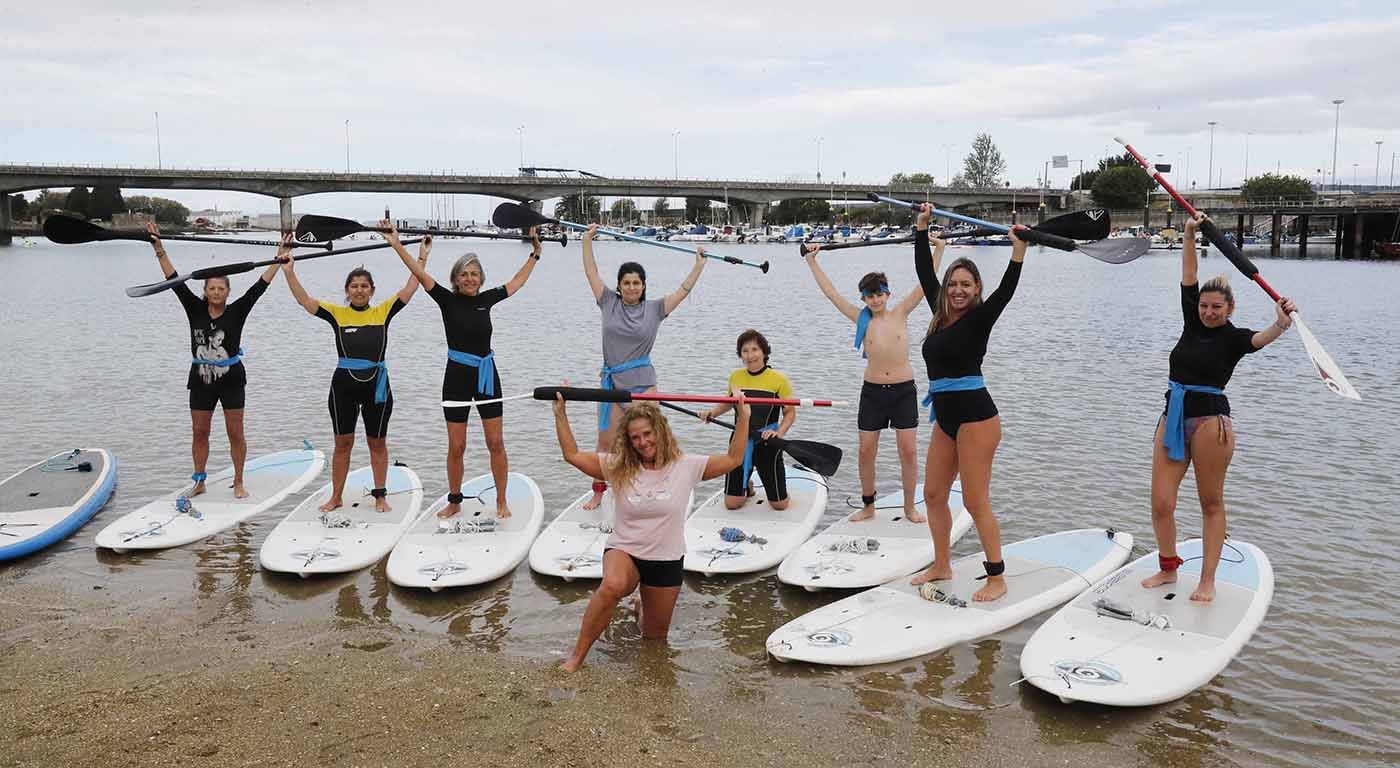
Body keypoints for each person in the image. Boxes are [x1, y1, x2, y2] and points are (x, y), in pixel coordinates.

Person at [1140, 214, 1296, 602]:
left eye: (1215, 307)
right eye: (1204, 306)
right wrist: (1190, 234)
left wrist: (1281, 322)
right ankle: (1167, 568)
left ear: (1229, 308)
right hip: (1172, 417)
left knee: (1210, 503)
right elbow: (1189, 273)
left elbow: (1263, 338)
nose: (1208, 312)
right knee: (1161, 502)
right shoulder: (1190, 322)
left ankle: (1207, 579)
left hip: (1212, 425)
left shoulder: (1233, 339)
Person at [553, 391, 749, 672]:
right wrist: (560, 413)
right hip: (625, 549)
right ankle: (577, 657)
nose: (643, 442)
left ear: (660, 431)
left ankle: (640, 607)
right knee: (612, 586)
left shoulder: (687, 466)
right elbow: (571, 455)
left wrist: (742, 416)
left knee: (654, 638)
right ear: (629, 442)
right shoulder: (618, 465)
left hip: (666, 558)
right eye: (635, 437)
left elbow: (734, 459)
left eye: (647, 434)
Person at [908, 204, 1026, 602]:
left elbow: (1006, 292)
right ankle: (942, 563)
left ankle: (996, 576)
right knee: (934, 494)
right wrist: (921, 228)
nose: (958, 290)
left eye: (967, 286)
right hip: (946, 418)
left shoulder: (979, 319)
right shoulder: (939, 316)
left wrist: (1018, 252)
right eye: (953, 284)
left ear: (977, 291)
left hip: (977, 418)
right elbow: (925, 271)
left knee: (975, 500)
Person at [393, 226, 543, 519]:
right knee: (457, 446)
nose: (470, 278)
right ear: (455, 279)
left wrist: (535, 254)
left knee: (495, 442)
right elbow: (419, 274)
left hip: (487, 376)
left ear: (481, 279)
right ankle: (455, 500)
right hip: (456, 379)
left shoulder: (487, 299)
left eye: (475, 274)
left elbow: (517, 282)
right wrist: (397, 243)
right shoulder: (446, 300)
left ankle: (501, 500)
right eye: (464, 274)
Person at [282, 220, 425, 514]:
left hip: (377, 387)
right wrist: (289, 271)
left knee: (377, 443)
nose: (359, 290)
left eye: (364, 286)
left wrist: (420, 255)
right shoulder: (336, 313)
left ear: (372, 290)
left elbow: (413, 285)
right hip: (343, 388)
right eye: (354, 286)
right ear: (347, 290)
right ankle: (336, 496)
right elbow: (304, 300)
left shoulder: (384, 310)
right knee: (343, 444)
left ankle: (380, 495)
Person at [148, 222, 287, 498]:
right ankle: (199, 481)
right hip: (200, 379)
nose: (215, 292)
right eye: (211, 288)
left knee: (235, 433)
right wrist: (158, 247)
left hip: (232, 378)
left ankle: (238, 481)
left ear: (227, 292)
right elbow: (173, 279)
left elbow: (260, 287)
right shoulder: (193, 308)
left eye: (220, 289)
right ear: (205, 291)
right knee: (200, 432)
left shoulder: (237, 311)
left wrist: (279, 256)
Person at [581, 223, 708, 510]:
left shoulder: (655, 309)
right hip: (612, 386)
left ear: (644, 286)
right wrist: (587, 241)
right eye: (626, 283)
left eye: (636, 283)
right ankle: (600, 492)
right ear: (619, 286)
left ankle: (660, 487)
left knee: (652, 442)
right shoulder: (607, 303)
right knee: (605, 444)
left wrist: (698, 265)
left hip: (641, 385)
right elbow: (591, 272)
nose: (631, 287)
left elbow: (683, 291)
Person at [802, 243, 928, 524]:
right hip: (872, 393)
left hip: (903, 391)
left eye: (879, 294)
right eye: (869, 296)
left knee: (908, 451)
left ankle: (910, 507)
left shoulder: (900, 313)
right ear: (864, 298)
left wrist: (938, 249)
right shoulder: (861, 318)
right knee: (865, 451)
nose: (875, 300)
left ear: (888, 294)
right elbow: (831, 293)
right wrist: (812, 262)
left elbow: (924, 284)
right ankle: (868, 505)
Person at [701, 329, 795, 510]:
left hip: (767, 441)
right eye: (745, 351)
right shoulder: (736, 377)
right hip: (740, 441)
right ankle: (747, 486)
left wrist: (778, 433)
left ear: (764, 352)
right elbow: (728, 403)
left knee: (779, 505)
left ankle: (779, 491)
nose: (750, 355)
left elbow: (790, 413)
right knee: (732, 504)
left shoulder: (779, 379)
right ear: (740, 354)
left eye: (755, 349)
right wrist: (712, 412)